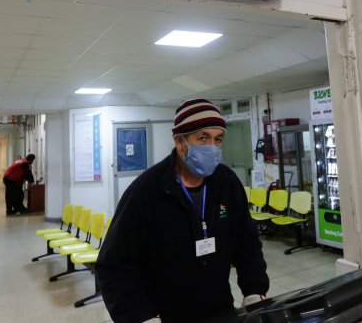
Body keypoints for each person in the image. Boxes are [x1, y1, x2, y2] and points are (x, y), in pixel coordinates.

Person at [95, 99, 269, 323]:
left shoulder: (227, 183)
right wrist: (139, 316)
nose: (212, 147)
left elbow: (246, 241)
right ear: (180, 141)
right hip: (165, 314)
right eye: (203, 137)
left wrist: (254, 290)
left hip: (220, 310)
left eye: (218, 139)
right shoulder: (145, 192)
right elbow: (113, 264)